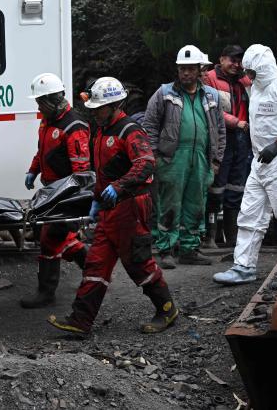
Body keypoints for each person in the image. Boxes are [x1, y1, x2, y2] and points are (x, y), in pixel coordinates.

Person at [47, 77, 178, 335]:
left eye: (99, 108)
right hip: (110, 208)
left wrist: (119, 186)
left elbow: (146, 162)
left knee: (138, 263)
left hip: (130, 206)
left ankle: (166, 309)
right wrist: (97, 198)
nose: (94, 112)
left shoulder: (129, 130)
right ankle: (80, 320)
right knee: (96, 263)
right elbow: (104, 172)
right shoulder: (101, 131)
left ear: (116, 104)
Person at [213, 44, 277, 285]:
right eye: (247, 72)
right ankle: (244, 266)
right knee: (250, 214)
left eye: (252, 71)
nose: (248, 75)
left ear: (264, 67)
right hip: (260, 162)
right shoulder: (256, 88)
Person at [143, 45, 226, 269]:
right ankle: (166, 249)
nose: (185, 73)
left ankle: (190, 249)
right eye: (182, 69)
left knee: (196, 204)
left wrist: (216, 160)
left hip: (201, 157)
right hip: (172, 157)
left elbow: (219, 129)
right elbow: (149, 125)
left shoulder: (211, 96)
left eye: (190, 69)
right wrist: (154, 156)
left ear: (200, 70)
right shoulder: (164, 93)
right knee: (169, 204)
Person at [21, 73, 90, 308]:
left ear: (52, 99)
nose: (38, 107)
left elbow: (81, 171)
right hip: (51, 191)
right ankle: (90, 263)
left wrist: (68, 197)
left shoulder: (74, 126)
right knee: (56, 236)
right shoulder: (47, 122)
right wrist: (33, 170)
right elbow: (42, 152)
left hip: (65, 194)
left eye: (41, 102)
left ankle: (46, 292)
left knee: (49, 239)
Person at [203, 45, 252, 248]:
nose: (236, 64)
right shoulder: (210, 78)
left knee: (237, 186)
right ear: (221, 59)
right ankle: (210, 237)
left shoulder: (245, 80)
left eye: (239, 61)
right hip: (221, 136)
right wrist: (236, 122)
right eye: (232, 60)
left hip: (243, 139)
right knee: (216, 185)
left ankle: (233, 237)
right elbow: (212, 110)